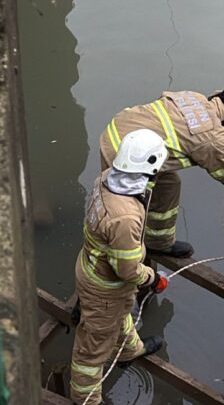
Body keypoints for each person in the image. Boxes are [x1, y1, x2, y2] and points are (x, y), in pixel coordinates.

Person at [70, 129, 171, 404]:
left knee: (122, 314)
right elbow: (126, 270)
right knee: (92, 349)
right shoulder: (124, 216)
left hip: (94, 269)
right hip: (105, 287)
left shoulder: (104, 179)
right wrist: (152, 278)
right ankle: (86, 399)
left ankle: (129, 351)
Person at [99, 87, 224, 258]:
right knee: (128, 209)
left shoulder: (194, 97)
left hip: (119, 129)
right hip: (127, 153)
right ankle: (127, 255)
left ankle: (158, 243)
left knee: (169, 185)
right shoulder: (212, 135)